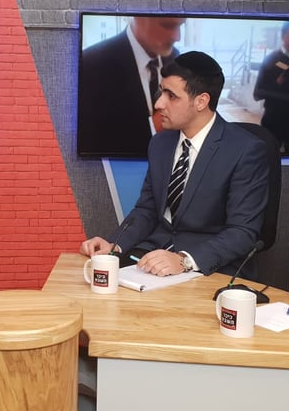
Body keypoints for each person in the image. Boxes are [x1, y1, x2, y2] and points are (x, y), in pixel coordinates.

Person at [80, 51, 270, 277]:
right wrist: (115, 245)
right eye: (161, 92)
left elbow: (242, 233)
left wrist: (184, 260)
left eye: (171, 96)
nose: (159, 103)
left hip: (210, 267)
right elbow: (147, 210)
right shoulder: (160, 143)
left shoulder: (246, 150)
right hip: (153, 254)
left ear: (201, 101)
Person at [78, 16, 185, 157]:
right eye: (167, 25)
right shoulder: (90, 65)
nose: (177, 37)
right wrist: (154, 126)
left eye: (180, 26)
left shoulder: (176, 58)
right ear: (138, 18)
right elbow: (93, 145)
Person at [253, 21, 289, 155]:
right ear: (283, 36)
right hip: (274, 120)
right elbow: (257, 93)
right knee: (268, 157)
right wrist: (276, 84)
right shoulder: (270, 60)